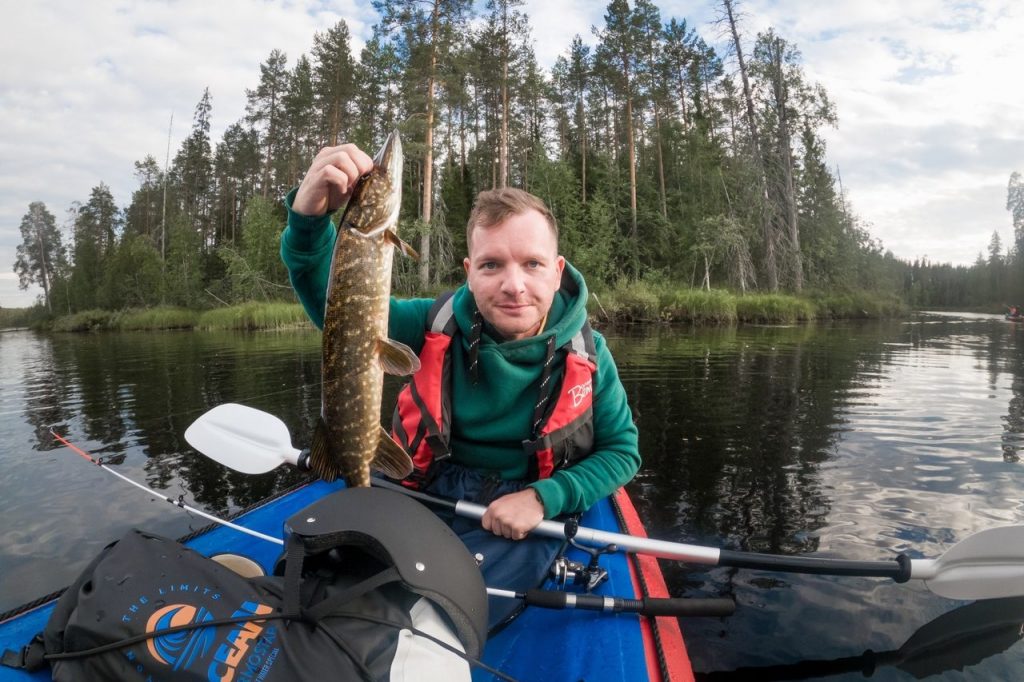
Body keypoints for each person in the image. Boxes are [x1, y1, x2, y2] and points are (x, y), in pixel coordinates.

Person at [281, 142, 640, 630]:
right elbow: (340, 311)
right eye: (492, 265)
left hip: (519, 502)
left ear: (557, 274)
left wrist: (544, 498)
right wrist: (307, 222)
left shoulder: (590, 355)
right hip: (425, 483)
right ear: (470, 274)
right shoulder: (432, 324)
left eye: (532, 264)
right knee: (324, 569)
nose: (514, 285)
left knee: (456, 603)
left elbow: (621, 452)